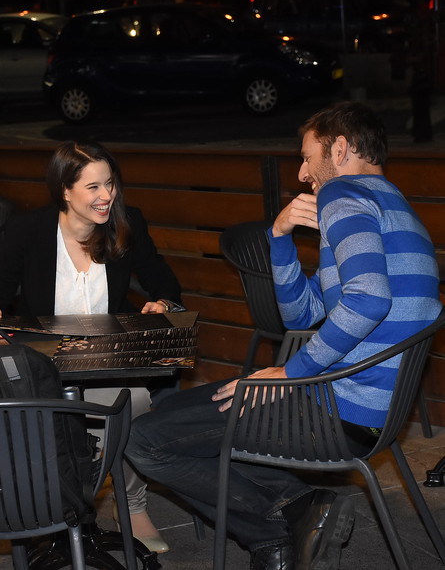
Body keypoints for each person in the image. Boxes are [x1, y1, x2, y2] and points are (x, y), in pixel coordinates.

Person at [124, 101, 442, 570]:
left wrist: (291, 373)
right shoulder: (393, 206)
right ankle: (302, 510)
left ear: (339, 148)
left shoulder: (343, 194)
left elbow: (369, 300)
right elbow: (302, 315)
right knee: (176, 413)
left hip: (337, 411)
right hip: (374, 412)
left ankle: (274, 532)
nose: (301, 173)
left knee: (143, 440)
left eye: (307, 157)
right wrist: (278, 236)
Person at [0, 140, 184, 554]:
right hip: (43, 370)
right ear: (65, 191)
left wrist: (162, 304)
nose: (107, 196)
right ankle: (58, 501)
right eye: (93, 187)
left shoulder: (126, 223)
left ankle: (131, 503)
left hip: (107, 364)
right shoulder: (28, 230)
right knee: (41, 420)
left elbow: (165, 283)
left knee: (134, 400)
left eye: (110, 184)